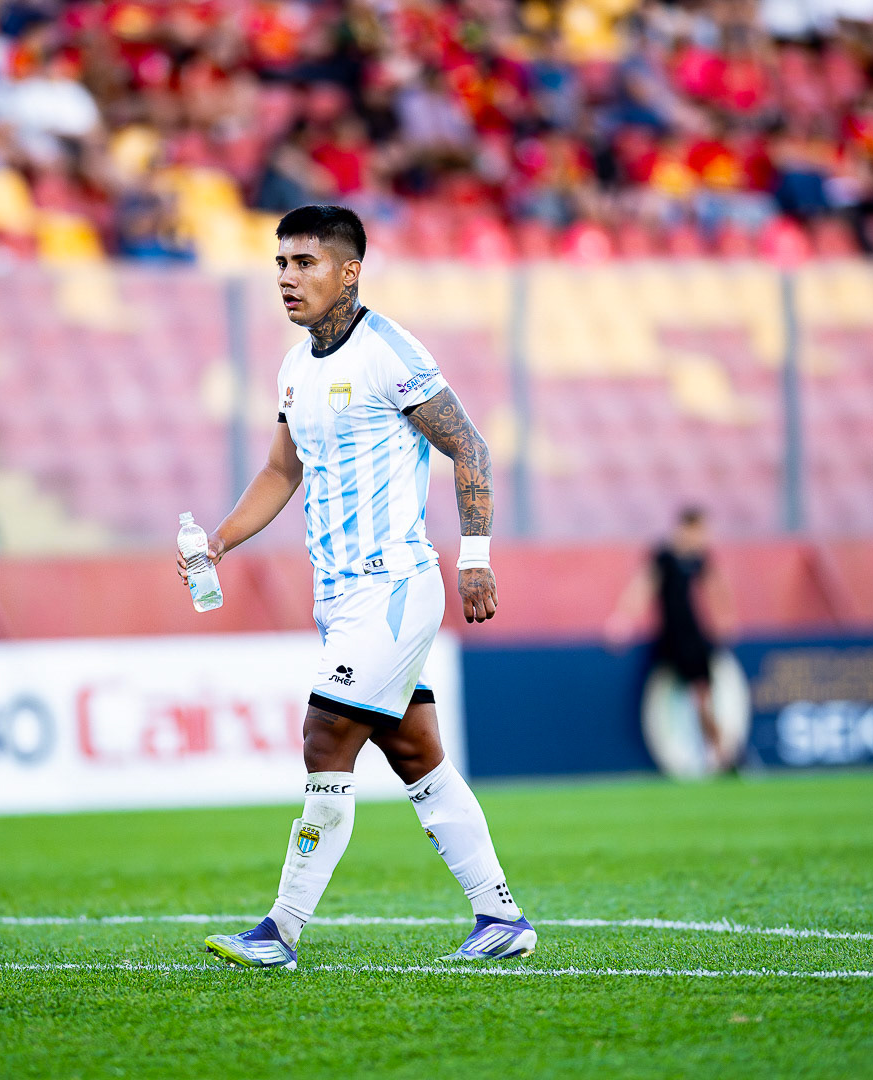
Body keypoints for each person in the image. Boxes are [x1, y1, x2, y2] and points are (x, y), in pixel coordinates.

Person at [180, 204, 532, 970]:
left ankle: (281, 929)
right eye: (280, 263)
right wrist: (220, 541)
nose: (286, 278)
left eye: (304, 263)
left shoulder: (389, 352)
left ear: (349, 271)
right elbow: (282, 471)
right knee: (414, 754)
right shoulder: (295, 366)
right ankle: (500, 916)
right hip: (340, 599)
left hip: (394, 586)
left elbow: (468, 443)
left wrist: (475, 555)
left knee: (323, 737)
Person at [606, 507, 736, 768]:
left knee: (702, 696)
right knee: (692, 695)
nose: (703, 538)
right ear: (686, 528)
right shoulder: (664, 557)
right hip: (669, 637)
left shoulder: (698, 559)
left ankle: (720, 754)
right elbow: (643, 586)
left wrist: (725, 619)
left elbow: (718, 587)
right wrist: (623, 620)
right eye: (699, 531)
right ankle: (718, 753)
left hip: (692, 636)